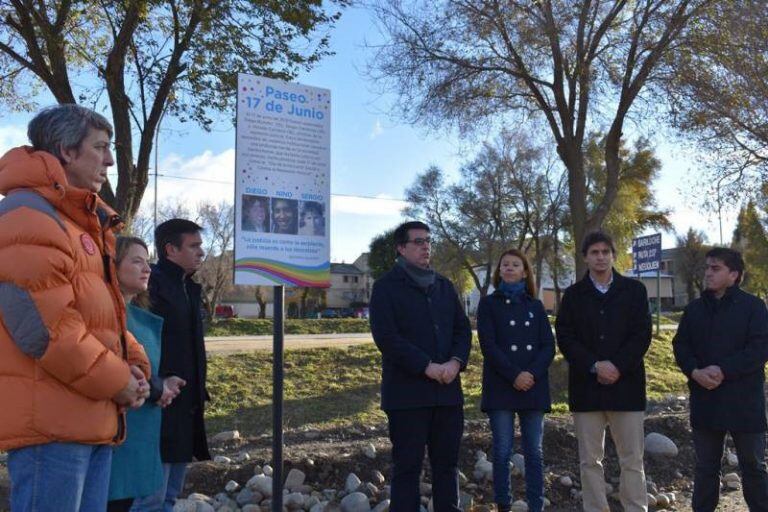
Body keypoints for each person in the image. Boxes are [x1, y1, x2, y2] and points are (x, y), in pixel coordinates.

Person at [0, 104, 150, 512]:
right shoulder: (28, 218)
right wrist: (118, 379)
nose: (109, 160)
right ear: (66, 151)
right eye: (100, 147)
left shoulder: (79, 223)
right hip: (52, 431)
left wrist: (135, 364)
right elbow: (46, 330)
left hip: (90, 419)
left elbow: (103, 315)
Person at [369, 221, 472, 512]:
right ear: (401, 248)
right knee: (407, 468)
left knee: (447, 467)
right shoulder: (385, 288)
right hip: (407, 397)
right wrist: (426, 366)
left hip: (447, 395)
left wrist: (455, 362)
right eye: (418, 241)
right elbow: (387, 337)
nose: (426, 246)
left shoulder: (444, 286)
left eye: (428, 240)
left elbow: (462, 331)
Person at [556, 231, 652, 512]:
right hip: (587, 388)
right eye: (594, 252)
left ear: (613, 255)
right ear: (585, 258)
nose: (600, 257)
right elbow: (565, 336)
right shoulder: (573, 296)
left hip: (627, 386)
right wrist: (595, 365)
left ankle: (635, 507)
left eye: (605, 252)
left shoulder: (634, 291)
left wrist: (617, 366)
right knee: (589, 460)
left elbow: (641, 335)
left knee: (632, 459)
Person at [673, 247, 768, 512]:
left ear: (734, 274)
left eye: (716, 268)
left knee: (753, 467)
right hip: (706, 400)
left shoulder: (753, 307)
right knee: (705, 469)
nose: (708, 273)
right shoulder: (694, 309)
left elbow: (759, 349)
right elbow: (681, 346)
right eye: (707, 268)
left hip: (745, 402)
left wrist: (723, 370)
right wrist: (695, 371)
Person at [131, 219, 211, 511]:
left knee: (170, 494)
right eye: (194, 246)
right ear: (170, 249)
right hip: (158, 403)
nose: (201, 252)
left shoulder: (188, 287)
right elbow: (137, 342)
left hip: (184, 403)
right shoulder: (152, 286)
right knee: (150, 495)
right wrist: (157, 383)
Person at [107, 237, 186, 512]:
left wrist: (162, 383)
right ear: (113, 265)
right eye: (136, 261)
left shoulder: (139, 315)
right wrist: (156, 389)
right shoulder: (105, 314)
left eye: (147, 261)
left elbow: (139, 368)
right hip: (113, 439)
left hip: (138, 437)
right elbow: (110, 369)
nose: (147, 268)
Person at [477, 249, 555, 512]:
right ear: (499, 271)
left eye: (515, 265)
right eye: (505, 265)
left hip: (533, 387)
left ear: (524, 271)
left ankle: (536, 505)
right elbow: (488, 345)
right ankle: (503, 504)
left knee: (535, 452)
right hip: (502, 386)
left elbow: (548, 345)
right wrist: (514, 375)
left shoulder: (535, 305)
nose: (509, 268)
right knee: (501, 451)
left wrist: (530, 374)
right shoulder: (487, 304)